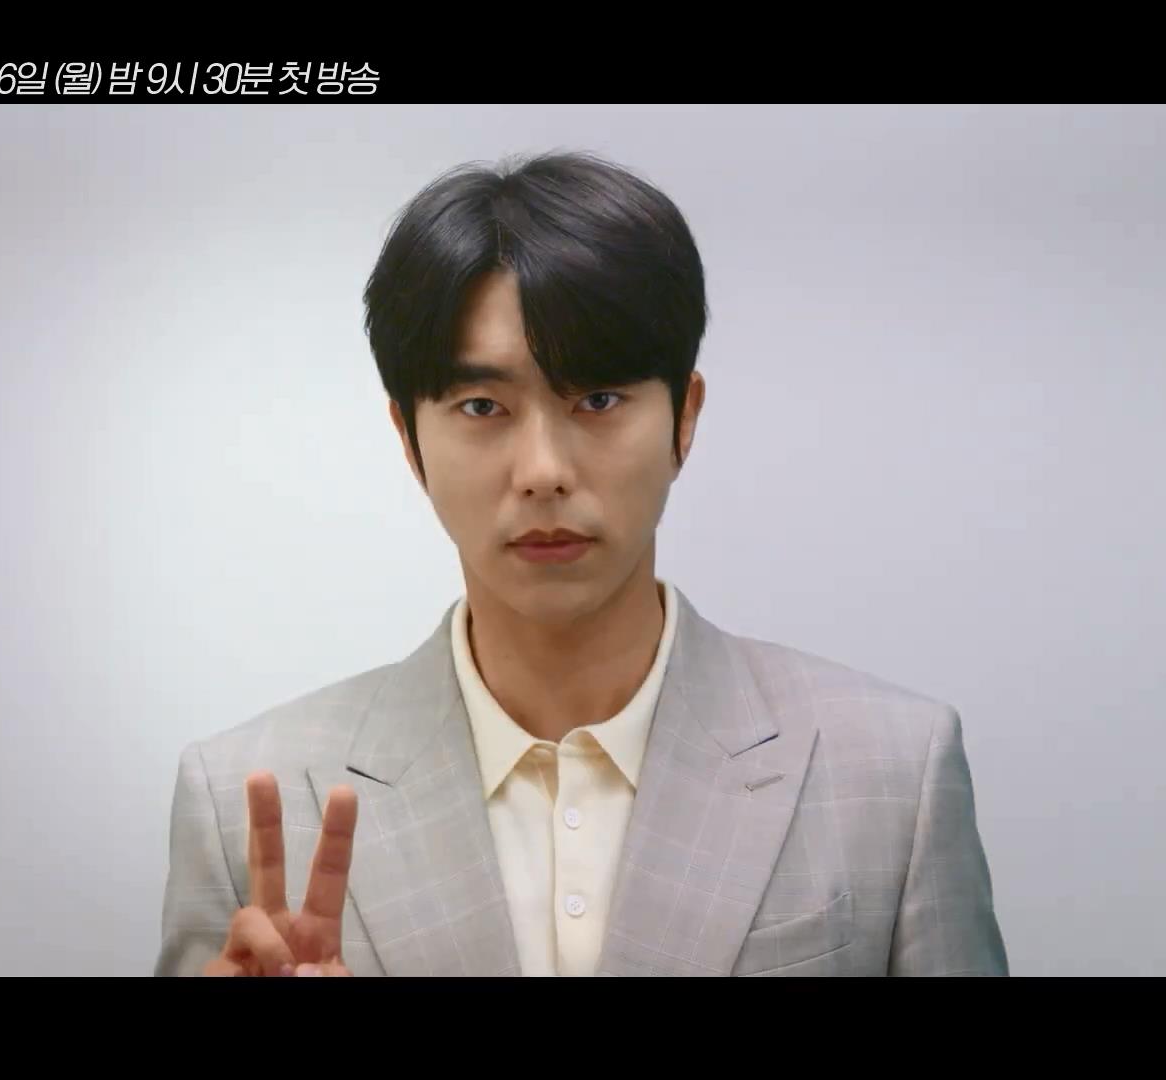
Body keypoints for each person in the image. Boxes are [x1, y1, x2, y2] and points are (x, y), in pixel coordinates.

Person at [153, 150, 1008, 977]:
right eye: (481, 406)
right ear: (408, 441)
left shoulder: (891, 773)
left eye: (598, 399)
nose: (543, 471)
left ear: (684, 419)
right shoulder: (244, 800)